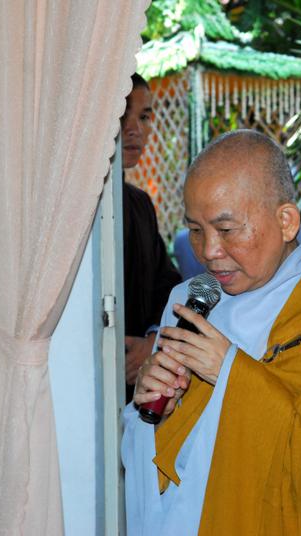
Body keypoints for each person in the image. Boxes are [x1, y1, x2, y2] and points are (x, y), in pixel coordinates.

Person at [121, 130, 301, 535]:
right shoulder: (189, 301)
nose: (208, 251)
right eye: (195, 229)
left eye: (227, 229)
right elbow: (159, 452)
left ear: (286, 221)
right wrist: (153, 407)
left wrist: (230, 373)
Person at [120, 74, 181, 401]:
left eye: (143, 117)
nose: (135, 130)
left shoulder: (140, 204)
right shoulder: (70, 208)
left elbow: (166, 285)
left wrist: (153, 340)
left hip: (137, 386)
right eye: (122, 114)